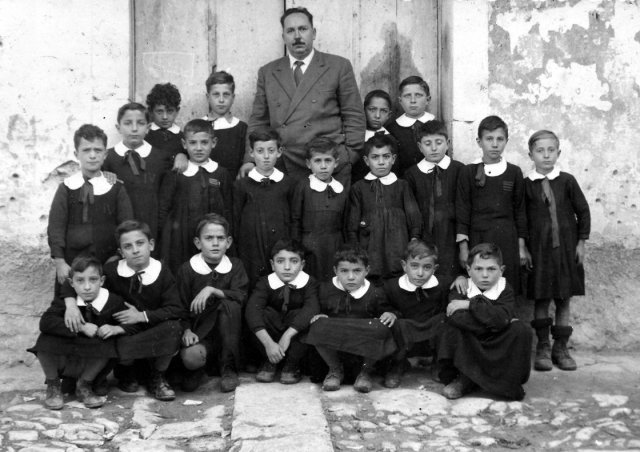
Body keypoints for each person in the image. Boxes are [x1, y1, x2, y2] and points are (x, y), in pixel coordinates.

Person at [241, 6, 366, 186]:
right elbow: (258, 121)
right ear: (283, 37)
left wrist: (348, 155)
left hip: (327, 164)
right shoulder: (268, 72)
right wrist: (250, 159)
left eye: (303, 29)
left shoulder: (338, 66)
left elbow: (353, 115)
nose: (297, 36)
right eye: (290, 31)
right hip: (283, 165)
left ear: (313, 33)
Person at [63, 220, 186, 401]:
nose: (135, 250)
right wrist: (70, 305)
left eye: (140, 243)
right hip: (123, 332)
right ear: (121, 252)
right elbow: (74, 281)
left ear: (151, 245)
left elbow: (175, 309)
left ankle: (157, 376)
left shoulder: (162, 272)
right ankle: (126, 372)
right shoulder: (112, 271)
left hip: (152, 328)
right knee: (114, 339)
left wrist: (142, 316)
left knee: (173, 328)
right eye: (128, 246)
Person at [524, 130, 590, 372]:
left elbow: (583, 212)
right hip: (539, 252)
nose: (546, 155)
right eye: (540, 151)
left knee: (563, 298)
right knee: (541, 298)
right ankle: (542, 346)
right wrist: (524, 248)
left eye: (551, 150)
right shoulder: (526, 185)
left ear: (558, 152)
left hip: (565, 251)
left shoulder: (567, 181)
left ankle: (560, 348)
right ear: (530, 154)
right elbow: (521, 219)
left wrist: (581, 243)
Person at [29, 257, 129, 409]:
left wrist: (115, 328)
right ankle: (53, 385)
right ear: (71, 283)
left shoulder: (113, 301)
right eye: (80, 281)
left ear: (102, 281)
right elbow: (46, 322)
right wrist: (81, 327)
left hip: (91, 354)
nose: (87, 287)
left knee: (108, 344)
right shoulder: (65, 302)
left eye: (93, 280)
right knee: (45, 340)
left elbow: (132, 324)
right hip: (69, 349)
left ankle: (84, 385)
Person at [436, 243, 531, 400]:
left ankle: (505, 383)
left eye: (491, 269)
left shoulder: (505, 288)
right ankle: (465, 379)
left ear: (501, 270)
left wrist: (470, 304)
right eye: (478, 269)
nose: (485, 275)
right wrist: (492, 321)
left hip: (496, 340)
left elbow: (503, 317)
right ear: (468, 270)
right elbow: (457, 316)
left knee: (520, 329)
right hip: (471, 340)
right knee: (451, 327)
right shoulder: (462, 287)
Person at [48, 124, 133, 295]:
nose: (92, 155)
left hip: (107, 261)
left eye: (98, 150)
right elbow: (56, 226)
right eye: (86, 150)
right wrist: (60, 261)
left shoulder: (116, 188)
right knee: (70, 307)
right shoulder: (66, 188)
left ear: (105, 154)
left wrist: (118, 256)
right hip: (73, 262)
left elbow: (127, 225)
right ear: (76, 154)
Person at [305, 247, 397, 393]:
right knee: (318, 325)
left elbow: (387, 310)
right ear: (335, 271)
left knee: (381, 327)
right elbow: (316, 309)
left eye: (357, 271)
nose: (351, 277)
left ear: (367, 271)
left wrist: (390, 314)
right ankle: (335, 370)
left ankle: (365, 373)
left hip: (363, 349)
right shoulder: (325, 289)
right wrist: (319, 315)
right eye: (344, 271)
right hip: (335, 346)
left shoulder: (375, 292)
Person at [176, 214, 248, 392]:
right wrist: (186, 329)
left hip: (229, 334)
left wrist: (212, 290)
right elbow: (179, 305)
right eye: (209, 238)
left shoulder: (235, 265)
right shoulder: (187, 269)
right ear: (198, 243)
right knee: (191, 358)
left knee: (229, 304)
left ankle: (228, 368)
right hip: (200, 333)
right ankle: (199, 369)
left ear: (228, 242)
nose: (215, 243)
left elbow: (241, 295)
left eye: (220, 238)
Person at [456, 115, 528, 293]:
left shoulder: (514, 172)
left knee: (506, 284)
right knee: (480, 283)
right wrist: (464, 248)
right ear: (479, 142)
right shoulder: (468, 171)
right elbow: (462, 210)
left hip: (507, 239)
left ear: (506, 141)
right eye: (489, 139)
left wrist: (520, 248)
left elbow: (520, 211)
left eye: (500, 139)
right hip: (478, 236)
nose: (495, 144)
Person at [158, 119, 232, 275]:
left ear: (214, 142)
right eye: (192, 143)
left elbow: (228, 209)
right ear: (184, 144)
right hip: (180, 238)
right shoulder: (176, 174)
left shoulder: (221, 173)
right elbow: (163, 209)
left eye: (204, 142)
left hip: (212, 240)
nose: (199, 148)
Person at [347, 134, 422, 283]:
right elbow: (352, 222)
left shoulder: (402, 186)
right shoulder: (359, 188)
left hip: (398, 243)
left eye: (386, 157)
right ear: (367, 161)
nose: (381, 162)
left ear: (393, 159)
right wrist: (356, 248)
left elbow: (414, 215)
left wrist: (414, 238)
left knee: (397, 277)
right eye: (375, 157)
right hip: (370, 244)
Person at [245, 240, 319, 384]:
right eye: (280, 261)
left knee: (310, 318)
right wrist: (268, 344)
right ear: (272, 265)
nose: (287, 267)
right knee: (262, 314)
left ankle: (291, 364)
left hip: (294, 337)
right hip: (271, 338)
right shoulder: (265, 282)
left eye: (293, 261)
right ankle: (269, 360)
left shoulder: (309, 283)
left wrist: (288, 335)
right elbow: (252, 310)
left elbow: (312, 308)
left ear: (302, 265)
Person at [102, 102, 176, 242]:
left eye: (140, 123)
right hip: (118, 232)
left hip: (152, 231)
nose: (134, 129)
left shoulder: (161, 158)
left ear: (148, 128)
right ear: (118, 127)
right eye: (128, 123)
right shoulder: (108, 159)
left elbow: (165, 200)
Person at [233, 129, 296, 286]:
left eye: (271, 151)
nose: (266, 157)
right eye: (260, 151)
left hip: (280, 246)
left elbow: (294, 218)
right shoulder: (242, 185)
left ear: (279, 152)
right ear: (251, 153)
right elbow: (235, 219)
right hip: (251, 248)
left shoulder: (288, 184)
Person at [404, 120, 465, 281]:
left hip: (451, 233)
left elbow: (463, 205)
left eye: (439, 142)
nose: (433, 148)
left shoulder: (459, 170)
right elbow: (411, 209)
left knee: (451, 272)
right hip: (425, 232)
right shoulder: (412, 174)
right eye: (427, 143)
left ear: (448, 143)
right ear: (419, 146)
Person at [383, 241, 448, 388]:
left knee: (445, 320)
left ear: (435, 268)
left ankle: (437, 363)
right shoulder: (392, 287)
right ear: (404, 266)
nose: (420, 273)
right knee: (395, 323)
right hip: (407, 333)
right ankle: (398, 364)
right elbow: (384, 305)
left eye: (427, 267)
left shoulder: (442, 284)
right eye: (414, 266)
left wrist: (461, 278)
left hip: (431, 332)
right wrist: (391, 313)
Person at [291, 137, 348, 281]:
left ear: (336, 163)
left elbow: (346, 223)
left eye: (328, 161)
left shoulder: (340, 189)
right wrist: (298, 248)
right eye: (318, 161)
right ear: (308, 164)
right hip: (310, 245)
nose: (323, 166)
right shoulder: (303, 187)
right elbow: (295, 219)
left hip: (335, 244)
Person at [385, 76, 435, 177]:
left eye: (418, 95)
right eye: (407, 96)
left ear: (428, 99)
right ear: (400, 101)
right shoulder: (391, 130)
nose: (413, 100)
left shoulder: (436, 125)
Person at [202, 69, 248, 180]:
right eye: (216, 95)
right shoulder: (200, 126)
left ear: (233, 97)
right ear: (208, 97)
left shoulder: (242, 128)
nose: (221, 100)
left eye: (226, 95)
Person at [144, 82, 189, 172]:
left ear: (177, 111)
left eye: (170, 111)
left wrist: (183, 155)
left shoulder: (183, 137)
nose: (165, 117)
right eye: (159, 112)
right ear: (151, 111)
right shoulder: (145, 135)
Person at [353, 89, 393, 181]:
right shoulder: (355, 137)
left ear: (389, 115)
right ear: (364, 110)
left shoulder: (391, 139)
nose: (377, 115)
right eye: (372, 110)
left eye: (383, 111)